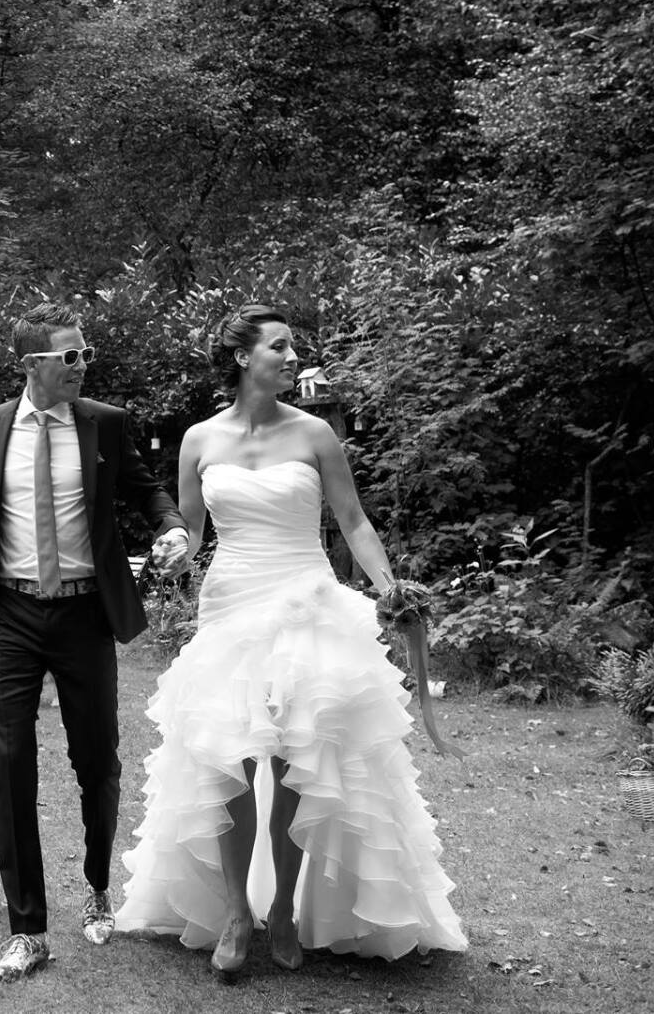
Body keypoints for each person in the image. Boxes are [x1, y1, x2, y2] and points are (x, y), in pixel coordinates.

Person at [113, 304, 468, 974]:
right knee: (229, 761)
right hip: (230, 604)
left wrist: (390, 587)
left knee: (295, 762)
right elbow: (191, 530)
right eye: (279, 346)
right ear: (243, 357)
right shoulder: (198, 439)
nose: (293, 357)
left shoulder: (315, 434)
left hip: (306, 602)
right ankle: (235, 914)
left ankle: (282, 909)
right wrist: (171, 550)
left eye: (293, 347)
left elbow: (353, 522)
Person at [0, 301, 192, 981]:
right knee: (9, 764)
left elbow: (147, 492)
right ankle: (28, 930)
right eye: (70, 355)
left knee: (97, 762)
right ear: (32, 364)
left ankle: (96, 885)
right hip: (11, 614)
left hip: (86, 614)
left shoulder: (105, 424)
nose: (83, 364)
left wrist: (173, 527)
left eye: (86, 353)